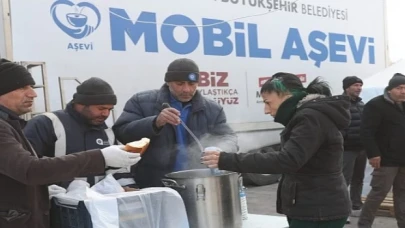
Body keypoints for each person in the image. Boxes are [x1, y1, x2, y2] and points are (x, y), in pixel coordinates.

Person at [0, 59, 141, 228]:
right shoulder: (47, 123)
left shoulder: (13, 123)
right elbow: (30, 169)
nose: (33, 93)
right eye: (23, 87)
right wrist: (99, 158)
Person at [202, 72, 351, 228]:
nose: (266, 110)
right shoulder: (306, 116)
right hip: (311, 207)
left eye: (268, 102)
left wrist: (227, 159)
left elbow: (286, 160)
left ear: (286, 97)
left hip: (319, 211)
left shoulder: (310, 118)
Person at [113, 58, 238, 188]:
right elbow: (122, 133)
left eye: (192, 84)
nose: (186, 89)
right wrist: (155, 123)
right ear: (168, 82)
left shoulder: (212, 109)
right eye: (180, 83)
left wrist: (222, 149)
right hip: (155, 182)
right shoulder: (141, 102)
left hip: (197, 182)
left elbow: (228, 137)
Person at [24, 77, 135, 190]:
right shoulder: (47, 123)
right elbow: (29, 167)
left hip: (98, 204)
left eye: (110, 109)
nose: (106, 114)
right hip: (57, 203)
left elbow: (117, 168)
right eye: (101, 108)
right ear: (81, 104)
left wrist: (126, 187)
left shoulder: (107, 132)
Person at [358, 73, 405, 228]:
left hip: (403, 158)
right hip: (385, 159)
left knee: (402, 195)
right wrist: (373, 154)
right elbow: (366, 132)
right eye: (399, 88)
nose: (403, 91)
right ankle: (364, 225)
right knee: (378, 194)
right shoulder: (375, 105)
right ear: (390, 89)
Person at [341, 76, 367, 221]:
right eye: (356, 85)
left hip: (362, 148)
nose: (359, 88)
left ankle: (356, 206)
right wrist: (344, 140)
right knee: (344, 180)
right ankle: (342, 210)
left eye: (360, 85)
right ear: (347, 87)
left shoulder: (361, 104)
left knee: (359, 178)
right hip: (347, 149)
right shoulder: (340, 104)